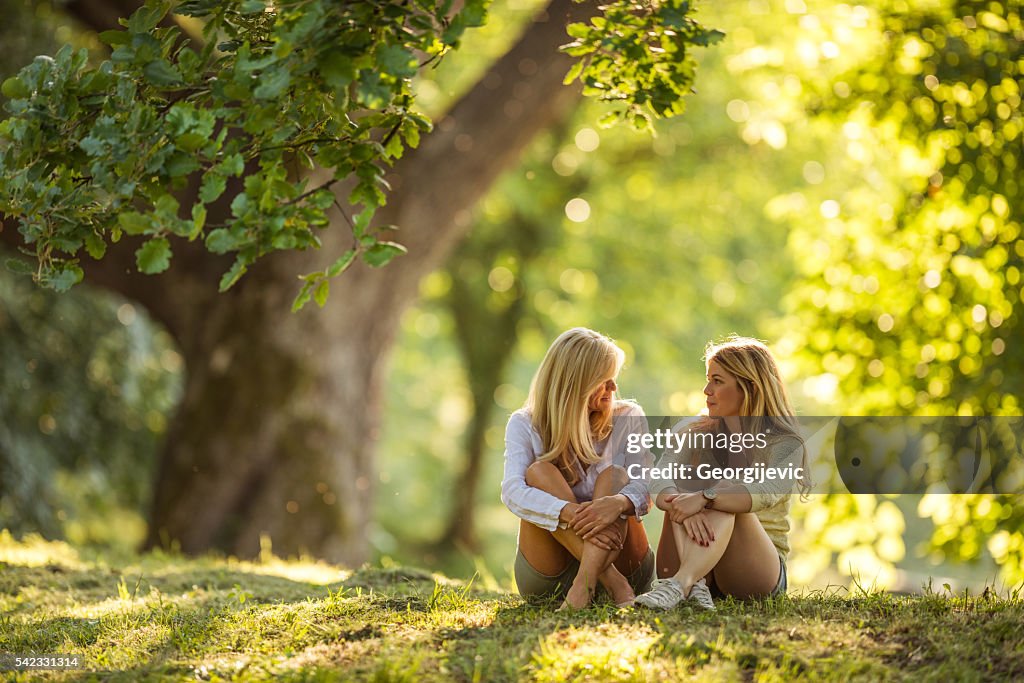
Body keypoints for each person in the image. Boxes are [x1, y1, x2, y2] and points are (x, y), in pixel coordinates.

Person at [634, 335, 809, 611]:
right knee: (688, 480)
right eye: (708, 379)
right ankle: (694, 586)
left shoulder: (785, 443)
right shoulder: (692, 431)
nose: (706, 390)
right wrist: (684, 503)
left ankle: (682, 583)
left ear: (749, 387)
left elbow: (764, 493)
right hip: (695, 561)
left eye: (717, 381)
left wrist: (705, 498)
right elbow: (659, 479)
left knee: (726, 487)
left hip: (755, 574)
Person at [501, 327, 655, 609]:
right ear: (578, 383)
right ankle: (607, 581)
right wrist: (568, 512)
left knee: (615, 476)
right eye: (605, 380)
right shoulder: (524, 424)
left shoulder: (627, 417)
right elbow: (512, 491)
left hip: (626, 564)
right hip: (551, 576)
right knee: (539, 472)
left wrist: (617, 503)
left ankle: (585, 586)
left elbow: (647, 484)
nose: (614, 388)